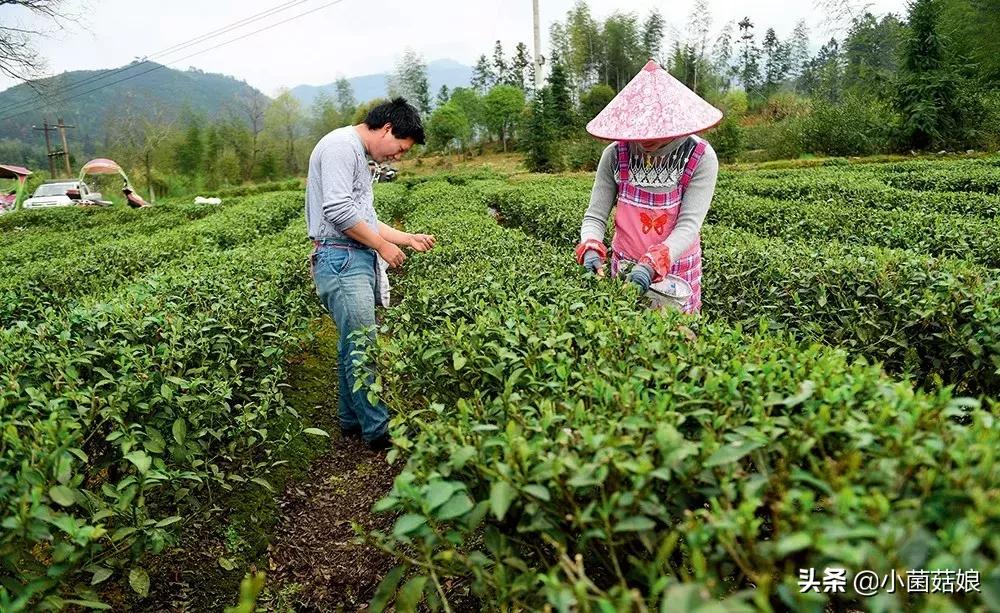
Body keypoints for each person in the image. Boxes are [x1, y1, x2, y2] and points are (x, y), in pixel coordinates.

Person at [305, 97, 435, 451]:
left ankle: (351, 420)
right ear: (388, 129)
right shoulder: (340, 147)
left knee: (353, 343)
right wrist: (381, 246)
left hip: (348, 256)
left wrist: (405, 238)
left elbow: (364, 217)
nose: (398, 156)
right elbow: (337, 209)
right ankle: (378, 431)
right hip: (342, 259)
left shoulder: (356, 153)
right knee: (364, 345)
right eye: (400, 148)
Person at [575, 59, 722, 314]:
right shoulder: (615, 154)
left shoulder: (699, 156)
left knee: (679, 341)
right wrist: (590, 246)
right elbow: (595, 216)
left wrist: (654, 263)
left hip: (676, 267)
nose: (646, 139)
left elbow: (689, 225)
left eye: (656, 129)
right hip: (626, 265)